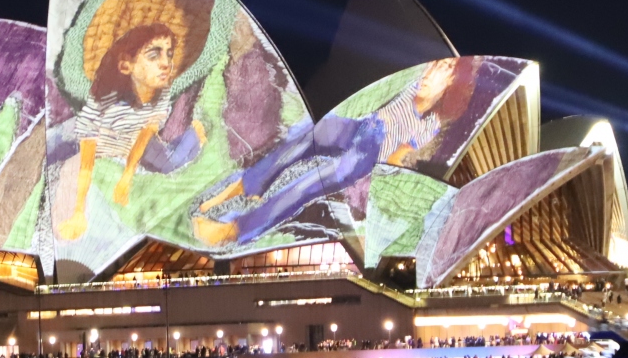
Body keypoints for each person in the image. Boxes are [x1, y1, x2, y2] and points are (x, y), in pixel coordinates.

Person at [191, 57, 472, 247]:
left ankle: (234, 230)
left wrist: (387, 171)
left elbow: (397, 158)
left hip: (367, 154)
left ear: (452, 83)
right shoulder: (410, 85)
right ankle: (249, 184)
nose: (431, 72)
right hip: (360, 126)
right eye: (435, 65)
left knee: (307, 185)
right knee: (307, 134)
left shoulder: (429, 123)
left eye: (444, 69)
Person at [57, 23, 207, 241]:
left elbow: (144, 136)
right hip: (95, 138)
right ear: (126, 65)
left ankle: (194, 132)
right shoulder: (103, 101)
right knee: (52, 151)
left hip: (133, 140)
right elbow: (86, 164)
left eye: (169, 54)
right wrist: (78, 212)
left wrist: (127, 177)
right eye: (154, 55)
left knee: (171, 163)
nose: (166, 63)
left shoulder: (161, 90)